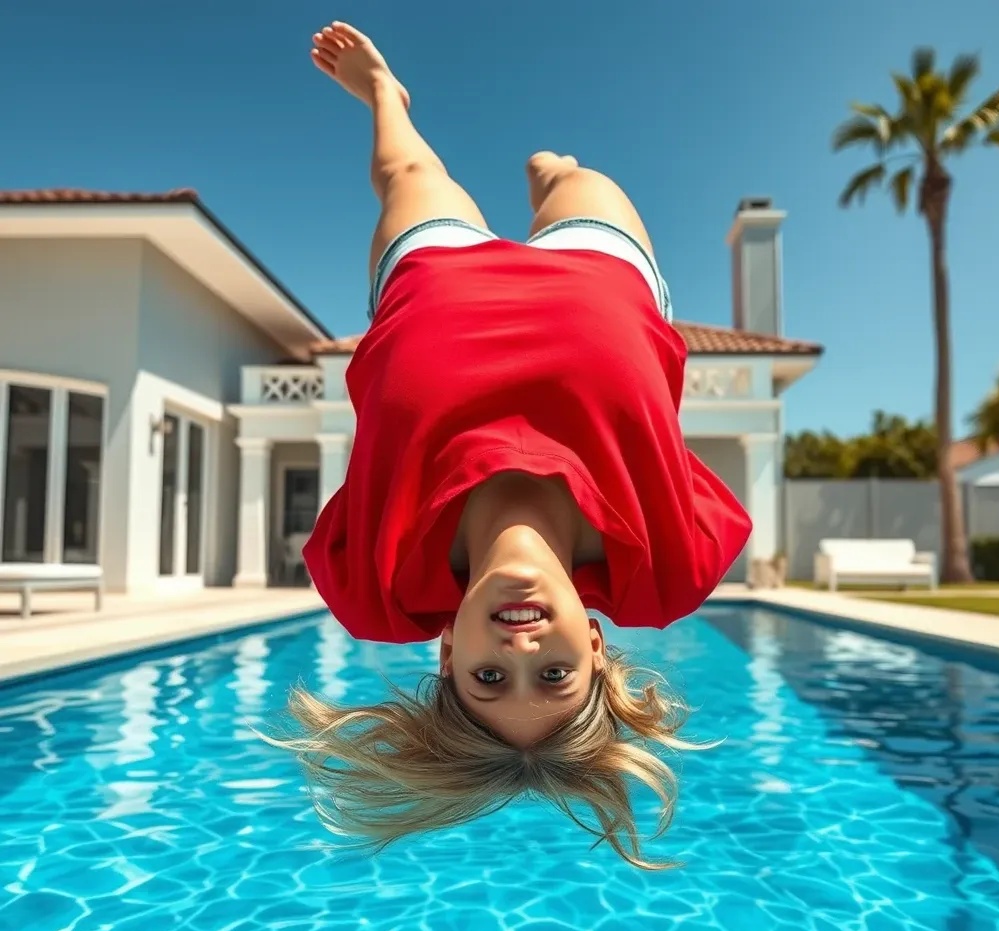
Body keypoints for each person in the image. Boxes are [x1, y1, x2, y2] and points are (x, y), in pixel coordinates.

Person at [266, 21, 751, 869]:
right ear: (596, 652)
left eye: (489, 680)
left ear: (447, 651)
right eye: (554, 678)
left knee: (409, 171)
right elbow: (699, 480)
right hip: (603, 276)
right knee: (574, 177)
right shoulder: (668, 567)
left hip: (433, 279)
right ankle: (548, 181)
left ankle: (387, 92)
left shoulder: (377, 583)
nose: (520, 654)